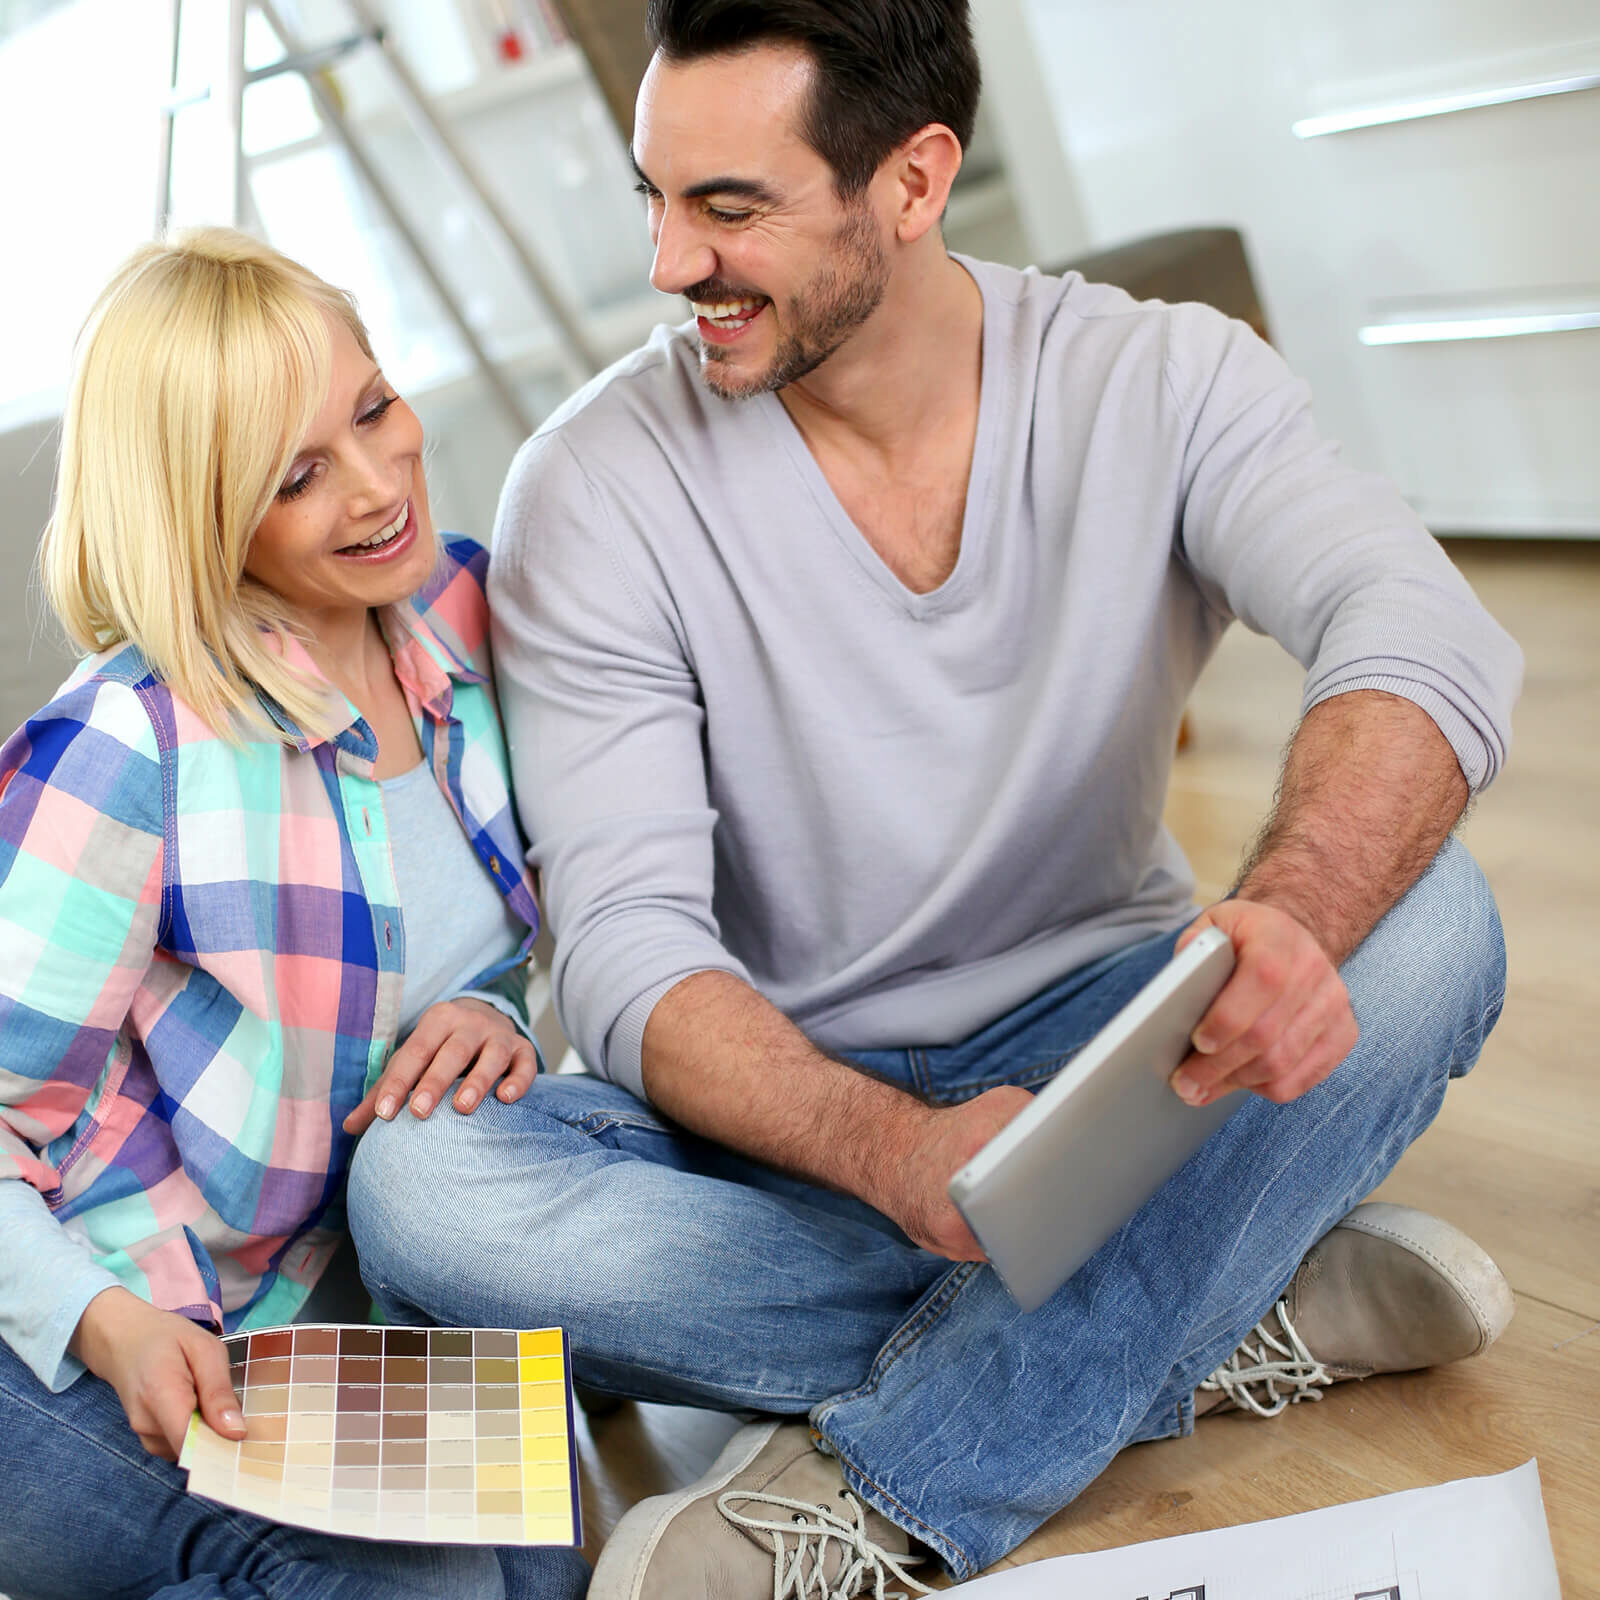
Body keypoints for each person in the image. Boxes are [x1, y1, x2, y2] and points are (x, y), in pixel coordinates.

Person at [347, 2, 1523, 1594]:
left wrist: (1297, 919)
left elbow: (1420, 631)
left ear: (912, 182)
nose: (668, 265)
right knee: (425, 1193)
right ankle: (1220, 1297)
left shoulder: (1158, 375)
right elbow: (623, 952)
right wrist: (898, 1151)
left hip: (1112, 1055)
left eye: (730, 207)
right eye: (655, 197)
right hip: (780, 1114)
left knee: (1431, 920)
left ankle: (893, 1474)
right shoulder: (595, 485)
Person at [0, 230, 589, 1600]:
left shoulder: (459, 612)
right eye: (298, 476)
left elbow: (543, 920)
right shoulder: (129, 747)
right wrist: (110, 1326)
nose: (382, 485)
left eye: (373, 409)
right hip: (83, 1345)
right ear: (204, 515)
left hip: (333, 1324)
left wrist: (492, 1007)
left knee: (541, 1566)